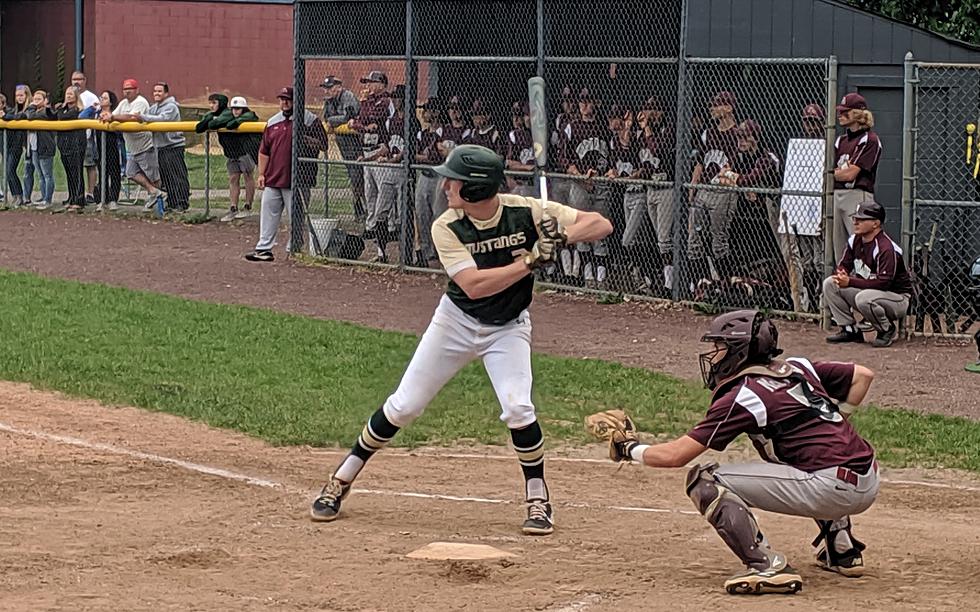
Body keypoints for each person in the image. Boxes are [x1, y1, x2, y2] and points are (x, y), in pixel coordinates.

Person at [310, 144, 614, 533]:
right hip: (455, 323)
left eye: (452, 182)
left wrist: (561, 236)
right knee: (404, 406)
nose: (444, 188)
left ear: (473, 189)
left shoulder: (525, 209)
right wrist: (531, 259)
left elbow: (600, 224)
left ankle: (538, 497)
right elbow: (474, 286)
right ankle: (342, 478)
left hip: (508, 327)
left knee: (519, 407)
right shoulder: (447, 225)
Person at [604, 309, 878, 594]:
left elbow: (676, 456)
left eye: (719, 347)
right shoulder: (799, 367)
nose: (713, 355)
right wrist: (836, 417)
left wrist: (630, 448)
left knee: (705, 480)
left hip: (831, 489)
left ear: (739, 350)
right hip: (869, 479)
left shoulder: (745, 394)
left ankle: (766, 566)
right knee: (803, 456)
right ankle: (842, 549)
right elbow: (863, 375)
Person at [243, 86, 327, 262]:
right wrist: (261, 174)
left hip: (299, 179)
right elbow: (264, 151)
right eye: (282, 99)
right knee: (267, 213)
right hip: (274, 177)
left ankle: (294, 248)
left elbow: (323, 145)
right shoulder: (273, 121)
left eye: (287, 99)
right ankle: (264, 249)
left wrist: (305, 138)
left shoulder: (309, 119)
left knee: (295, 215)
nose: (284, 102)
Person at [823, 200, 912, 348]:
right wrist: (842, 273)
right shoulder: (855, 240)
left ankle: (886, 330)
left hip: (896, 298)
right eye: (855, 218)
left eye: (861, 219)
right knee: (830, 283)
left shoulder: (886, 248)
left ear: (875, 223)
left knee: (863, 298)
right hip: (871, 292)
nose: (856, 222)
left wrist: (850, 282)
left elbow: (883, 283)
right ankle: (850, 329)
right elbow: (845, 264)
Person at [687, 90, 741, 290]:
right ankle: (701, 284)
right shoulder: (708, 133)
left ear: (728, 108)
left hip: (724, 192)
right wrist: (693, 187)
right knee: (694, 239)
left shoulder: (737, 134)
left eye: (717, 105)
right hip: (704, 189)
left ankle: (725, 285)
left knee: (719, 240)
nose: (712, 109)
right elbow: (700, 163)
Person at [561, 87, 611, 288]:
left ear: (596, 103)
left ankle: (601, 278)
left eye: (589, 101)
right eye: (582, 101)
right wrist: (578, 175)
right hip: (580, 184)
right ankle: (587, 275)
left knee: (600, 231)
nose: (584, 105)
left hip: (601, 184)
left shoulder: (603, 127)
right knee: (582, 231)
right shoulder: (571, 127)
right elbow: (564, 158)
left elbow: (612, 155)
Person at [100, 79, 167, 211]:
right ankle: (155, 192)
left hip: (145, 145)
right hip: (131, 147)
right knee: (130, 173)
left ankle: (163, 203)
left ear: (137, 90)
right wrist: (108, 116)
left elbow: (132, 118)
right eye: (125, 89)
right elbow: (114, 115)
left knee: (153, 176)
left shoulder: (141, 102)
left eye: (130, 88)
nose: (127, 91)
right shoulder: (124, 103)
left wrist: (113, 118)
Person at [196, 94, 261, 221]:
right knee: (233, 178)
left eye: (238, 109)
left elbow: (245, 118)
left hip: (244, 151)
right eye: (233, 108)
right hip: (231, 152)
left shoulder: (244, 116)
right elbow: (201, 127)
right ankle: (233, 208)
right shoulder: (221, 114)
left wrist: (215, 121)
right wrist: (209, 119)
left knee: (248, 176)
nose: (235, 111)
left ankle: (248, 206)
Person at [832, 93, 881, 261]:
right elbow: (835, 172)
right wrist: (836, 174)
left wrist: (834, 174)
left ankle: (862, 283)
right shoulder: (841, 140)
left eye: (846, 112)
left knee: (859, 246)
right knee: (840, 250)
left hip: (857, 195)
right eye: (840, 111)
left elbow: (850, 174)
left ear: (858, 114)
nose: (841, 115)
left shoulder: (870, 139)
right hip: (837, 195)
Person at [349, 70, 392, 253]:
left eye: (371, 83)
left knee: (383, 192)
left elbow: (371, 121)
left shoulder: (385, 101)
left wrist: (360, 123)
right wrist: (361, 124)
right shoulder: (369, 102)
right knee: (370, 192)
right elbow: (360, 122)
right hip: (367, 150)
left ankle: (387, 227)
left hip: (380, 150)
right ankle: (371, 226)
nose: (368, 86)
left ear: (381, 84)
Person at [137, 82, 190, 212]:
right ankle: (172, 202)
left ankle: (182, 203)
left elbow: (161, 119)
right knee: (166, 176)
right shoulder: (154, 107)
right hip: (160, 147)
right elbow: (149, 116)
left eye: (160, 91)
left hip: (173, 146)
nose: (157, 94)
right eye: (155, 91)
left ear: (166, 93)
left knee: (177, 174)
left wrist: (142, 117)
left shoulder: (171, 107)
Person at [320, 75, 364, 221]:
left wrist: (333, 121)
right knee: (353, 176)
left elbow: (348, 117)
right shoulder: (329, 101)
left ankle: (362, 209)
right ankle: (359, 210)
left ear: (339, 87)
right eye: (326, 88)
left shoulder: (348, 96)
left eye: (330, 88)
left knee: (358, 176)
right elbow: (326, 118)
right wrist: (333, 121)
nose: (327, 91)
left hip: (356, 141)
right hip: (342, 142)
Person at [414, 97, 448, 267]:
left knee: (438, 216)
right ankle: (429, 255)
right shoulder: (423, 133)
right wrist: (424, 158)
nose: (425, 113)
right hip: (424, 176)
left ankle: (441, 254)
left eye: (428, 110)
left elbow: (435, 157)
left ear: (436, 112)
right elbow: (416, 154)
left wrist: (425, 157)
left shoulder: (443, 132)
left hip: (438, 176)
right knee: (422, 215)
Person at [16, 89, 56, 210]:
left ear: (45, 101)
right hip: (34, 147)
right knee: (40, 174)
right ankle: (44, 198)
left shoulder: (45, 112)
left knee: (47, 174)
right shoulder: (32, 110)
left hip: (45, 147)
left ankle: (47, 199)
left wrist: (31, 106)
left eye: (39, 99)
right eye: (34, 99)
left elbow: (31, 116)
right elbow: (18, 116)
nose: (35, 101)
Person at [53, 86, 90, 212]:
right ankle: (71, 197)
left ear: (76, 96)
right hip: (64, 143)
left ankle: (79, 200)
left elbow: (64, 117)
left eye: (71, 94)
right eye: (67, 94)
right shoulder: (63, 109)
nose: (68, 96)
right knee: (68, 172)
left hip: (76, 144)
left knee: (76, 172)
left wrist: (59, 110)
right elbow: (53, 117)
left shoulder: (77, 110)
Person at [70, 71, 101, 203]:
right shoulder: (70, 95)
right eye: (74, 79)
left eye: (79, 79)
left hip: (87, 135)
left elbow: (96, 112)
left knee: (90, 165)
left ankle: (91, 192)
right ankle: (77, 193)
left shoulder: (91, 97)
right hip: (73, 136)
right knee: (76, 166)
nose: (76, 82)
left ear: (85, 80)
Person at [1, 85, 31, 207]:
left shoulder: (29, 109)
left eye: (21, 95)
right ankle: (16, 196)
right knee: (8, 171)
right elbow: (11, 115)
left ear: (26, 96)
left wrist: (5, 116)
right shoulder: (14, 109)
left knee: (10, 170)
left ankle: (20, 195)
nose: (19, 98)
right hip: (7, 145)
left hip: (18, 145)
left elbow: (18, 117)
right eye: (17, 95)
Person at [94, 90, 122, 211]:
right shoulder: (96, 114)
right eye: (101, 97)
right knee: (102, 173)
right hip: (99, 148)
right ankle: (102, 199)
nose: (102, 100)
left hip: (113, 147)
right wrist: (91, 109)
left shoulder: (115, 114)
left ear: (110, 102)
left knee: (114, 173)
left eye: (105, 98)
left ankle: (113, 199)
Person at [505, 101, 535, 196]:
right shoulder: (514, 135)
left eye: (520, 116)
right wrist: (528, 168)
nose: (516, 119)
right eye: (514, 116)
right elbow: (510, 163)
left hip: (536, 182)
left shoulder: (540, 134)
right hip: (520, 181)